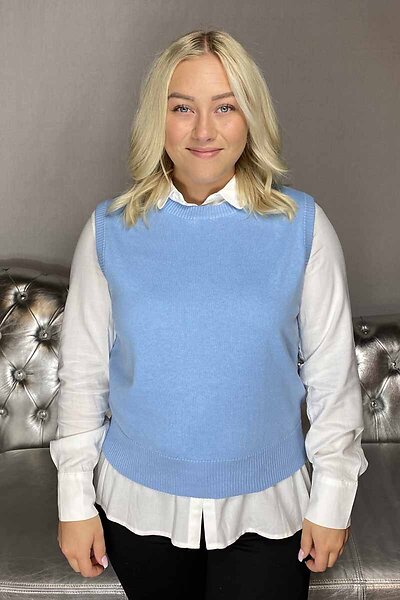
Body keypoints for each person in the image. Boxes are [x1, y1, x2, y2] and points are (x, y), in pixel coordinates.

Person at [49, 29, 369, 600]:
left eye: (225, 107)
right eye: (182, 108)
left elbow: (331, 375)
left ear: (250, 116)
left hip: (269, 505)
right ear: (158, 119)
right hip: (139, 507)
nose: (203, 130)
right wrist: (74, 500)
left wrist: (333, 499)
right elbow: (83, 375)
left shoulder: (302, 227)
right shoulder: (110, 229)